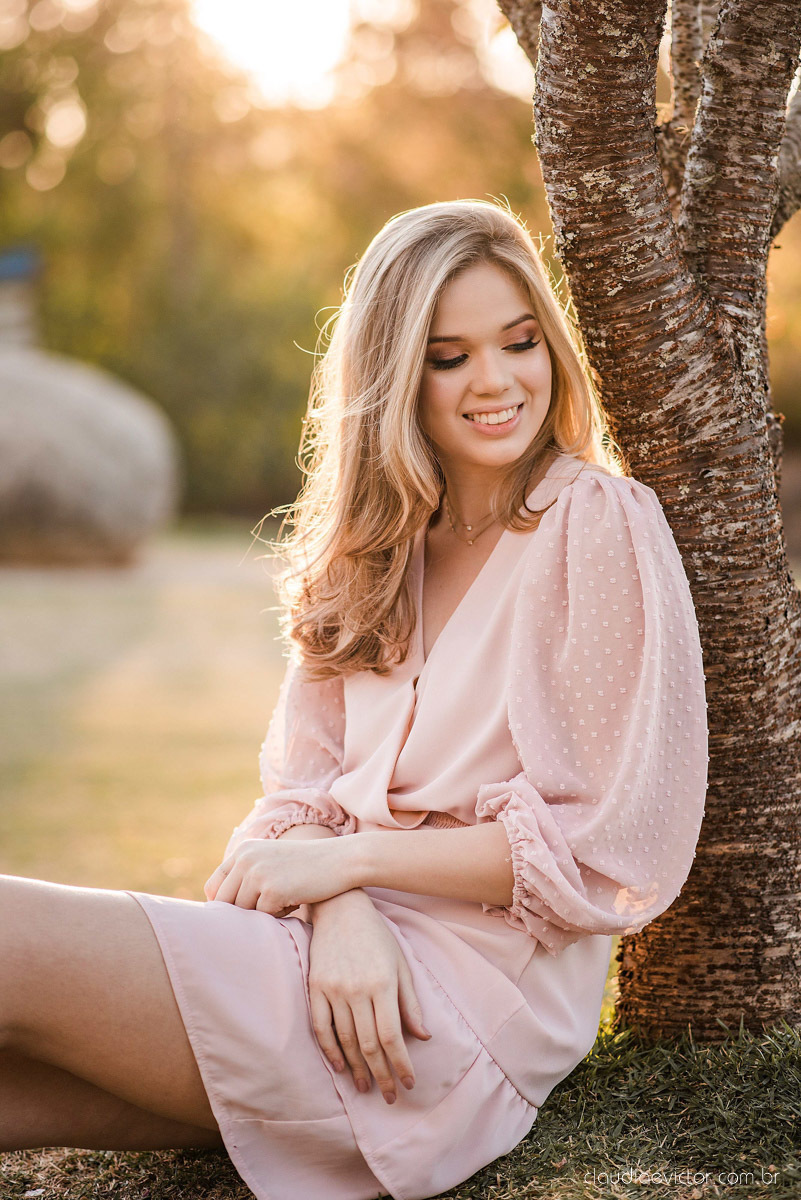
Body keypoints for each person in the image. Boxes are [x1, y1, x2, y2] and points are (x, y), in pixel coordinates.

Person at [0, 199, 709, 1200]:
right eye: (449, 357)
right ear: (394, 375)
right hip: (331, 960)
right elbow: (295, 800)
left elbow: (596, 847)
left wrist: (350, 863)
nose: (497, 381)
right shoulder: (375, 549)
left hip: (450, 1013)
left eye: (519, 342)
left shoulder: (594, 523)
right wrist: (340, 907)